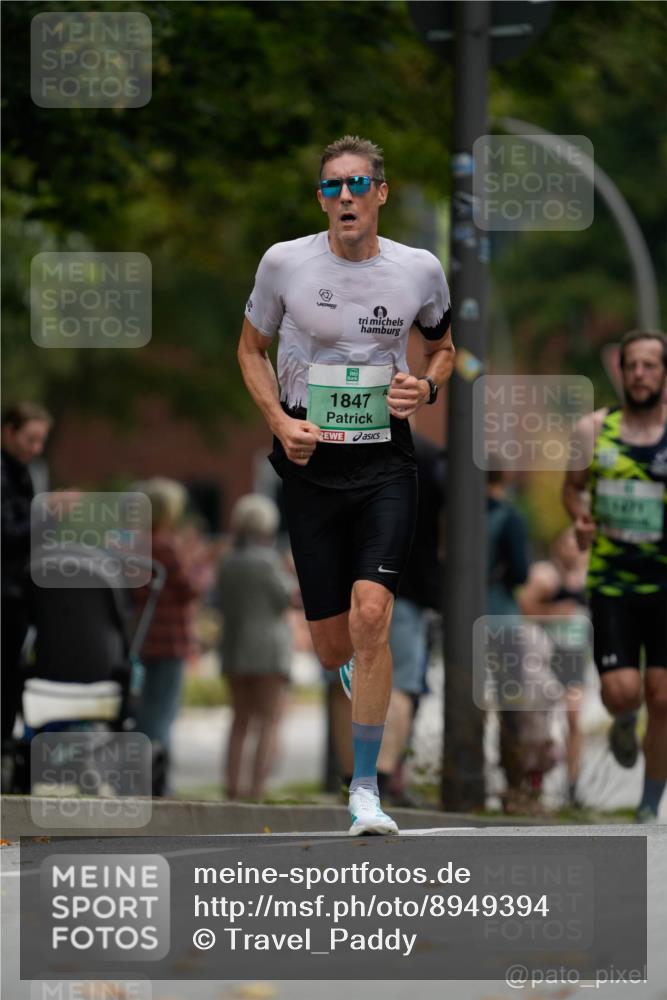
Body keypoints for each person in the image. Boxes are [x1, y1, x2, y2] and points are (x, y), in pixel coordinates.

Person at [237, 135, 454, 834]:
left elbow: (443, 347)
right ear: (321, 200)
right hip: (309, 461)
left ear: (380, 193)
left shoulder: (418, 270)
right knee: (334, 646)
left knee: (372, 615)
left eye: (357, 184)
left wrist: (422, 385)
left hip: (386, 461)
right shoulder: (284, 263)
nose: (345, 198)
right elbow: (249, 349)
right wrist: (277, 420)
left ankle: (365, 789)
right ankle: (357, 673)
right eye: (331, 187)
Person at [563, 329, 667, 823]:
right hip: (611, 582)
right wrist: (580, 517)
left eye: (650, 365)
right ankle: (625, 720)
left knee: (664, 697)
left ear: (663, 373)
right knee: (623, 691)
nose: (641, 374)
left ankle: (649, 802)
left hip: (665, 584)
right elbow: (572, 489)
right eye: (633, 366)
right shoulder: (593, 430)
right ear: (621, 371)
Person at [132, 477, 214, 795]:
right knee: (162, 712)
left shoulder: (135, 544)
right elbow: (191, 588)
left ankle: (135, 777)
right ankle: (157, 781)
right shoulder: (166, 545)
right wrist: (201, 563)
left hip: (143, 639)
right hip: (171, 640)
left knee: (142, 710)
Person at [377, 431, 445, 804]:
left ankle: (354, 777)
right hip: (408, 587)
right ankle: (384, 778)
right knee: (402, 685)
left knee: (354, 683)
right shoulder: (429, 455)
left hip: (358, 583)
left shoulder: (344, 439)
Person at [218, 494, 295, 800]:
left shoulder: (227, 560)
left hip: (234, 646)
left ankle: (233, 786)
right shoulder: (268, 560)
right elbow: (287, 597)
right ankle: (257, 788)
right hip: (268, 650)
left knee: (239, 721)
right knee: (268, 720)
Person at [519, 527, 590, 807]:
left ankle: (573, 785)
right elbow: (523, 607)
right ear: (557, 547)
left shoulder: (590, 576)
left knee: (574, 720)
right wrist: (556, 612)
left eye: (577, 543)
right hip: (545, 655)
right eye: (566, 543)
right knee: (540, 722)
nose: (571, 549)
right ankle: (535, 783)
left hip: (574, 656)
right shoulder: (544, 575)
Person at [1, 402, 52, 784]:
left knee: (13, 675)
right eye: (29, 438)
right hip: (7, 594)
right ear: (8, 432)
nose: (36, 448)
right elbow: (9, 535)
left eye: (41, 441)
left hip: (18, 594)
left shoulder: (22, 473)